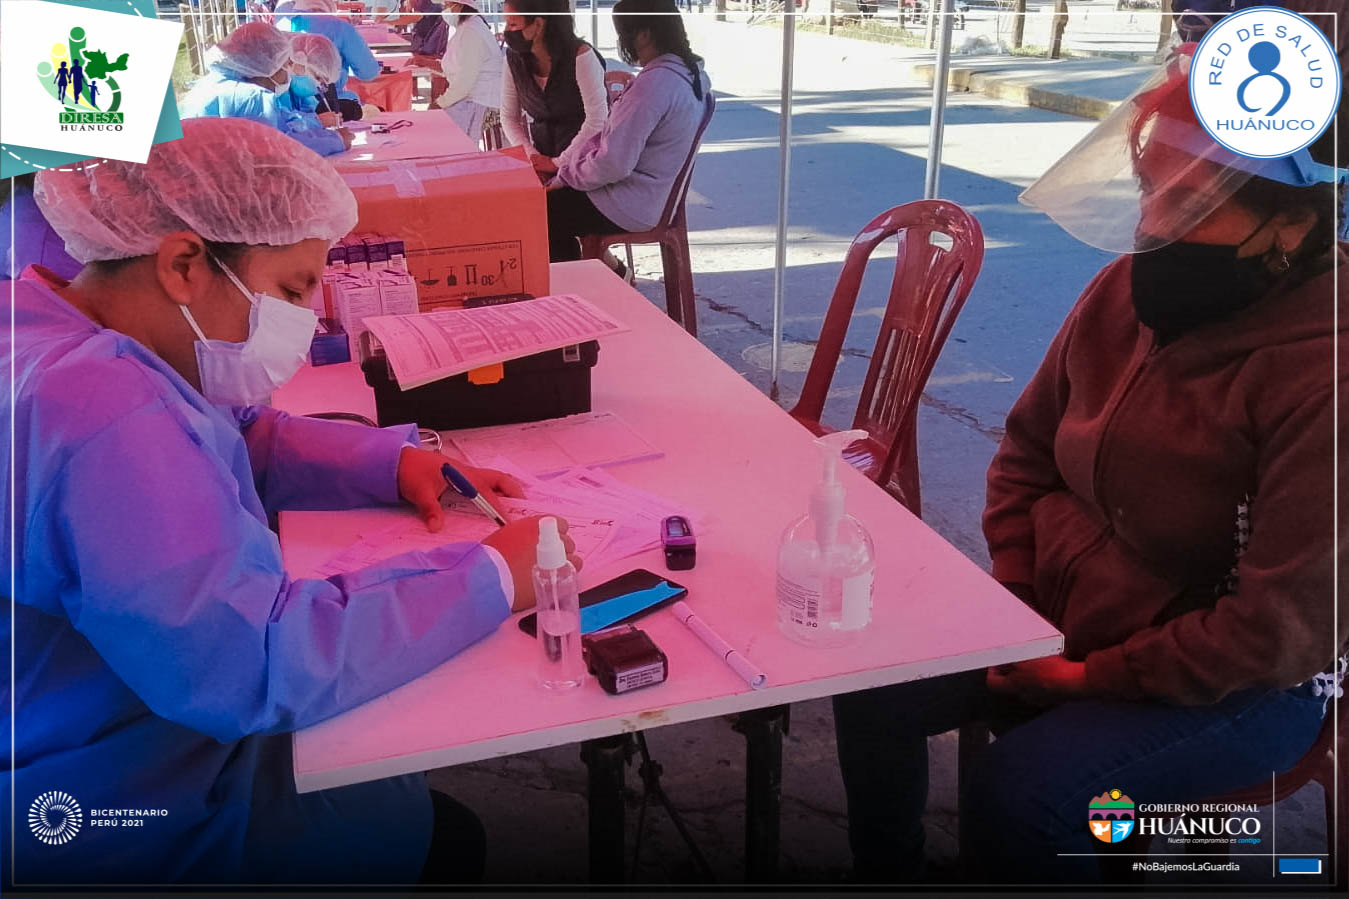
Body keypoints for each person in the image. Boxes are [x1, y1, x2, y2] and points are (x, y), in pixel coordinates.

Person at [2, 117, 580, 887]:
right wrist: (490, 576)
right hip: (125, 804)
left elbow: (227, 434)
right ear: (183, 264)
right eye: (291, 289)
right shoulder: (101, 406)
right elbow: (250, 661)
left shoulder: (43, 321)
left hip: (100, 735)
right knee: (423, 822)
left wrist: (389, 463)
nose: (302, 325)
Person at [830, 47, 1348, 884]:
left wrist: (1082, 677)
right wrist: (1015, 592)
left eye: (1189, 202)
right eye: (1148, 189)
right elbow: (1025, 454)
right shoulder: (1120, 291)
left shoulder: (1324, 375)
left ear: (1287, 226)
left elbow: (1272, 633)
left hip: (1243, 685)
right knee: (874, 676)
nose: (1153, 225)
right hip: (1066, 616)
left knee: (1023, 794)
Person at [544, 0, 710, 263]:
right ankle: (594, 275)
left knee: (538, 213)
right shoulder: (688, 75)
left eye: (623, 33)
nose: (622, 42)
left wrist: (565, 177)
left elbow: (612, 164)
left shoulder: (653, 86)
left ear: (643, 35)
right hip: (650, 197)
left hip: (629, 204)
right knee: (552, 206)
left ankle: (572, 286)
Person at [180, 22, 354, 156]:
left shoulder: (214, 84)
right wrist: (336, 141)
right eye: (285, 64)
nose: (289, 73)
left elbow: (283, 121)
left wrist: (316, 123)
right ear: (268, 66)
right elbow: (279, 148)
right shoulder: (251, 97)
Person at [500, 0, 607, 180]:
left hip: (585, 166)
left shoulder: (581, 56)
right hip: (543, 159)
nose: (507, 31)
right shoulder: (513, 60)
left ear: (538, 24)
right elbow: (509, 117)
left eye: (513, 24)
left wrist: (558, 163)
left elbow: (597, 121)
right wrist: (533, 157)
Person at [285, 0, 380, 121]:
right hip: (336, 108)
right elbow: (368, 72)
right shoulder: (340, 28)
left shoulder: (282, 23)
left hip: (290, 109)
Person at [432, 0, 503, 140]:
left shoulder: (471, 31)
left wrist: (440, 103)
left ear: (458, 6)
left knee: (437, 132)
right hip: (472, 98)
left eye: (446, 5)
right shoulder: (469, 27)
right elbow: (459, 68)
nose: (445, 10)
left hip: (481, 101)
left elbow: (463, 84)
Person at [285, 31, 347, 133]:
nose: (318, 86)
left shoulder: (297, 91)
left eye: (323, 83)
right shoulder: (274, 88)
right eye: (318, 78)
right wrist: (317, 122)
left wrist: (320, 120)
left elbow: (304, 112)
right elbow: (278, 130)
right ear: (298, 60)